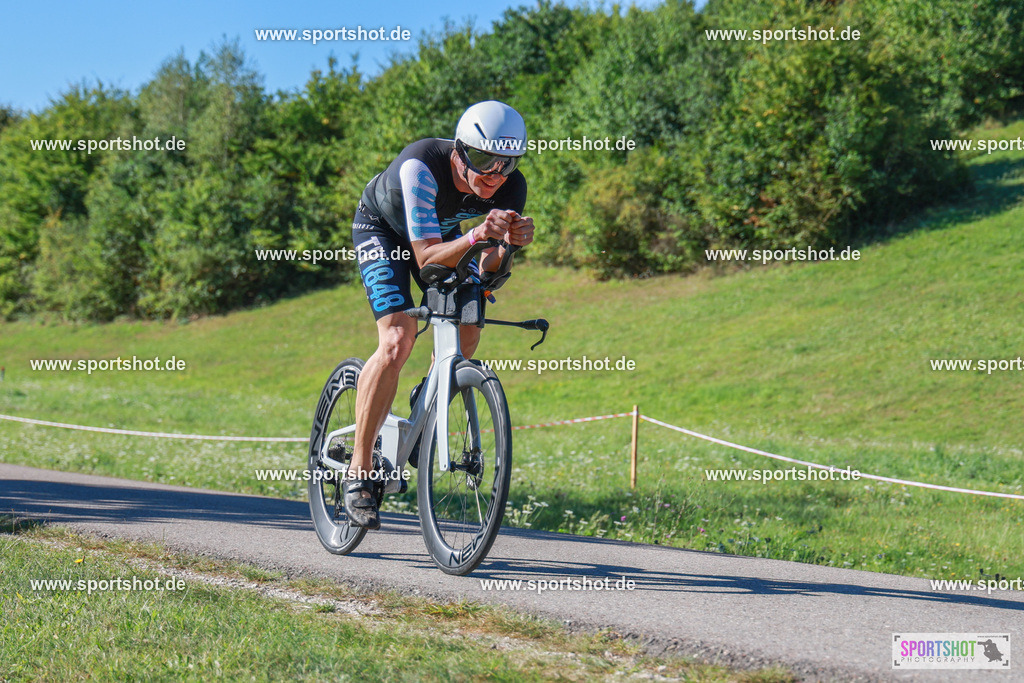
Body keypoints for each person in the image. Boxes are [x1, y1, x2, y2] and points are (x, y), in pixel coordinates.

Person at [346, 100, 536, 528]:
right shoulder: (421, 167)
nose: (495, 175)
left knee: (470, 321)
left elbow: (489, 273)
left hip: (443, 235)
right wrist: (476, 235)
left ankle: (426, 400)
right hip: (385, 229)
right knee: (398, 339)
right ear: (461, 150)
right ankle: (360, 471)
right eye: (485, 160)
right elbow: (429, 259)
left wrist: (509, 247)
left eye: (507, 164)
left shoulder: (511, 186)